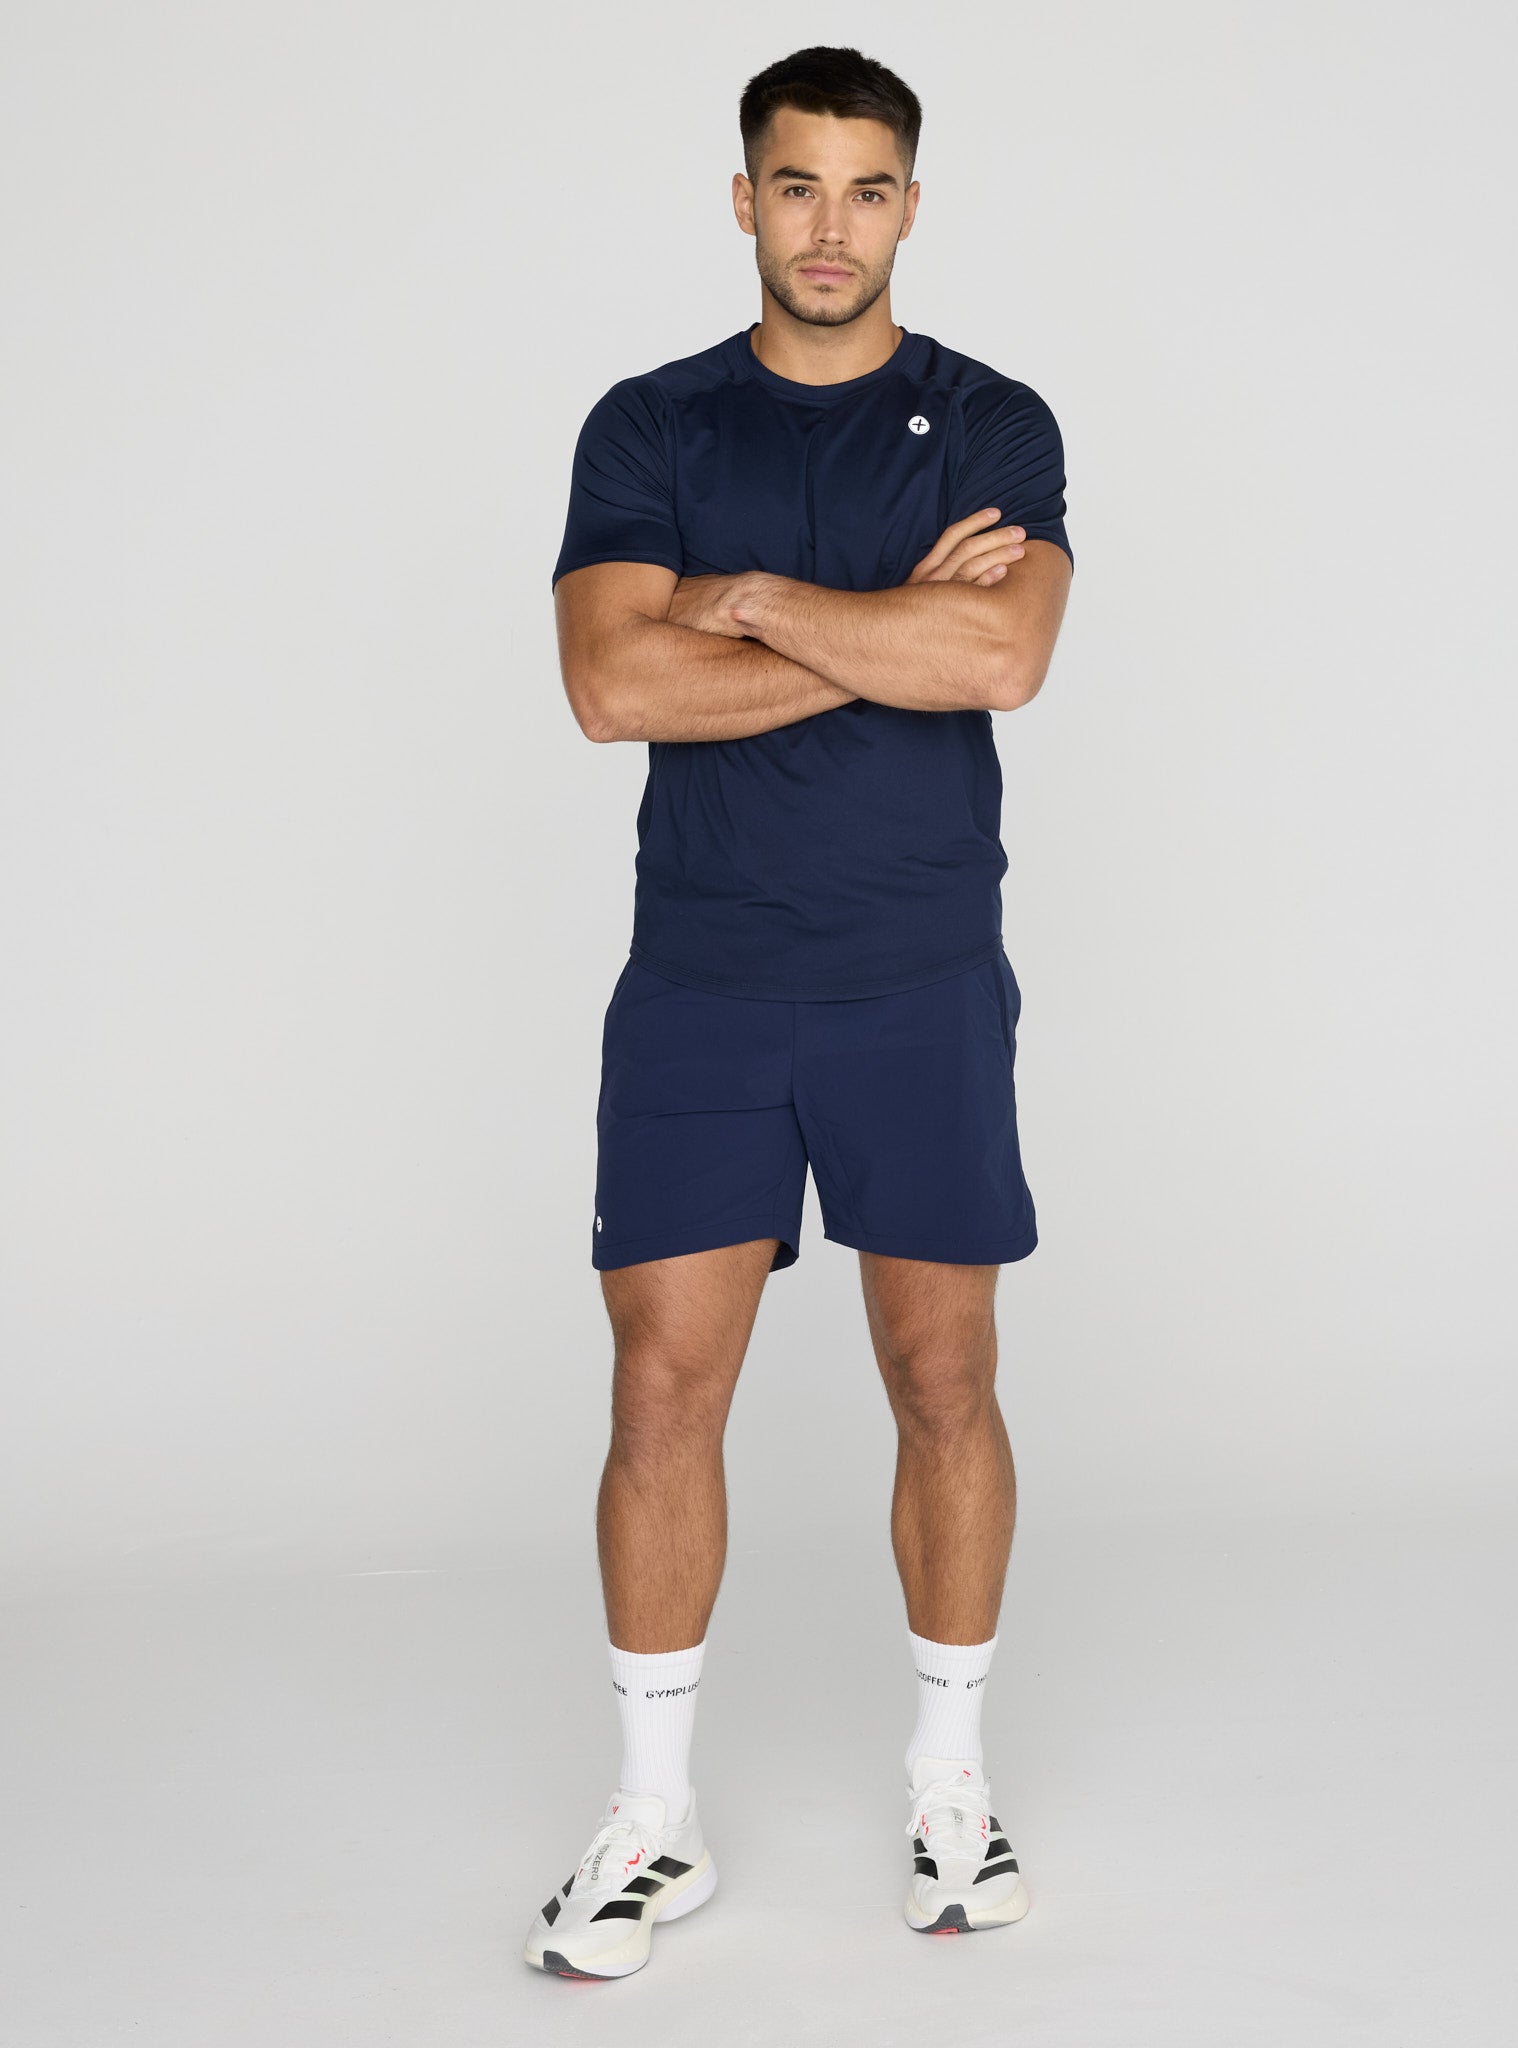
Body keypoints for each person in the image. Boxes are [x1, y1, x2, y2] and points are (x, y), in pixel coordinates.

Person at [525, 44, 1072, 1980]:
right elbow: (611, 687)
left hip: (919, 977)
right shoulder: (650, 423)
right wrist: (867, 624)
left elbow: (999, 652)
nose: (828, 225)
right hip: (702, 984)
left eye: (864, 187)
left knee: (943, 1380)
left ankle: (950, 1786)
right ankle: (650, 1821)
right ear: (742, 198)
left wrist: (739, 604)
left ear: (910, 204)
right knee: (661, 1392)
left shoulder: (991, 419)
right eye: (794, 184)